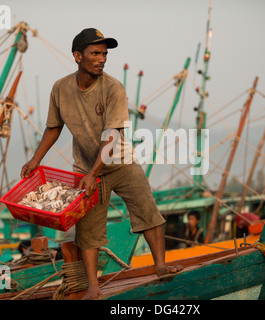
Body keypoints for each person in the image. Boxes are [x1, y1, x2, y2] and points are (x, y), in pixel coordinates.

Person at [21, 28, 183, 299]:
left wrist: (94, 173)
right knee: (88, 229)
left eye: (104, 54)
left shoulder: (113, 88)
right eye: (95, 53)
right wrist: (35, 160)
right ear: (77, 56)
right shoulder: (60, 88)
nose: (102, 59)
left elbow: (112, 136)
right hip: (85, 168)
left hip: (120, 164)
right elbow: (53, 127)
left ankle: (161, 266)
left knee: (147, 211)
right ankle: (93, 288)